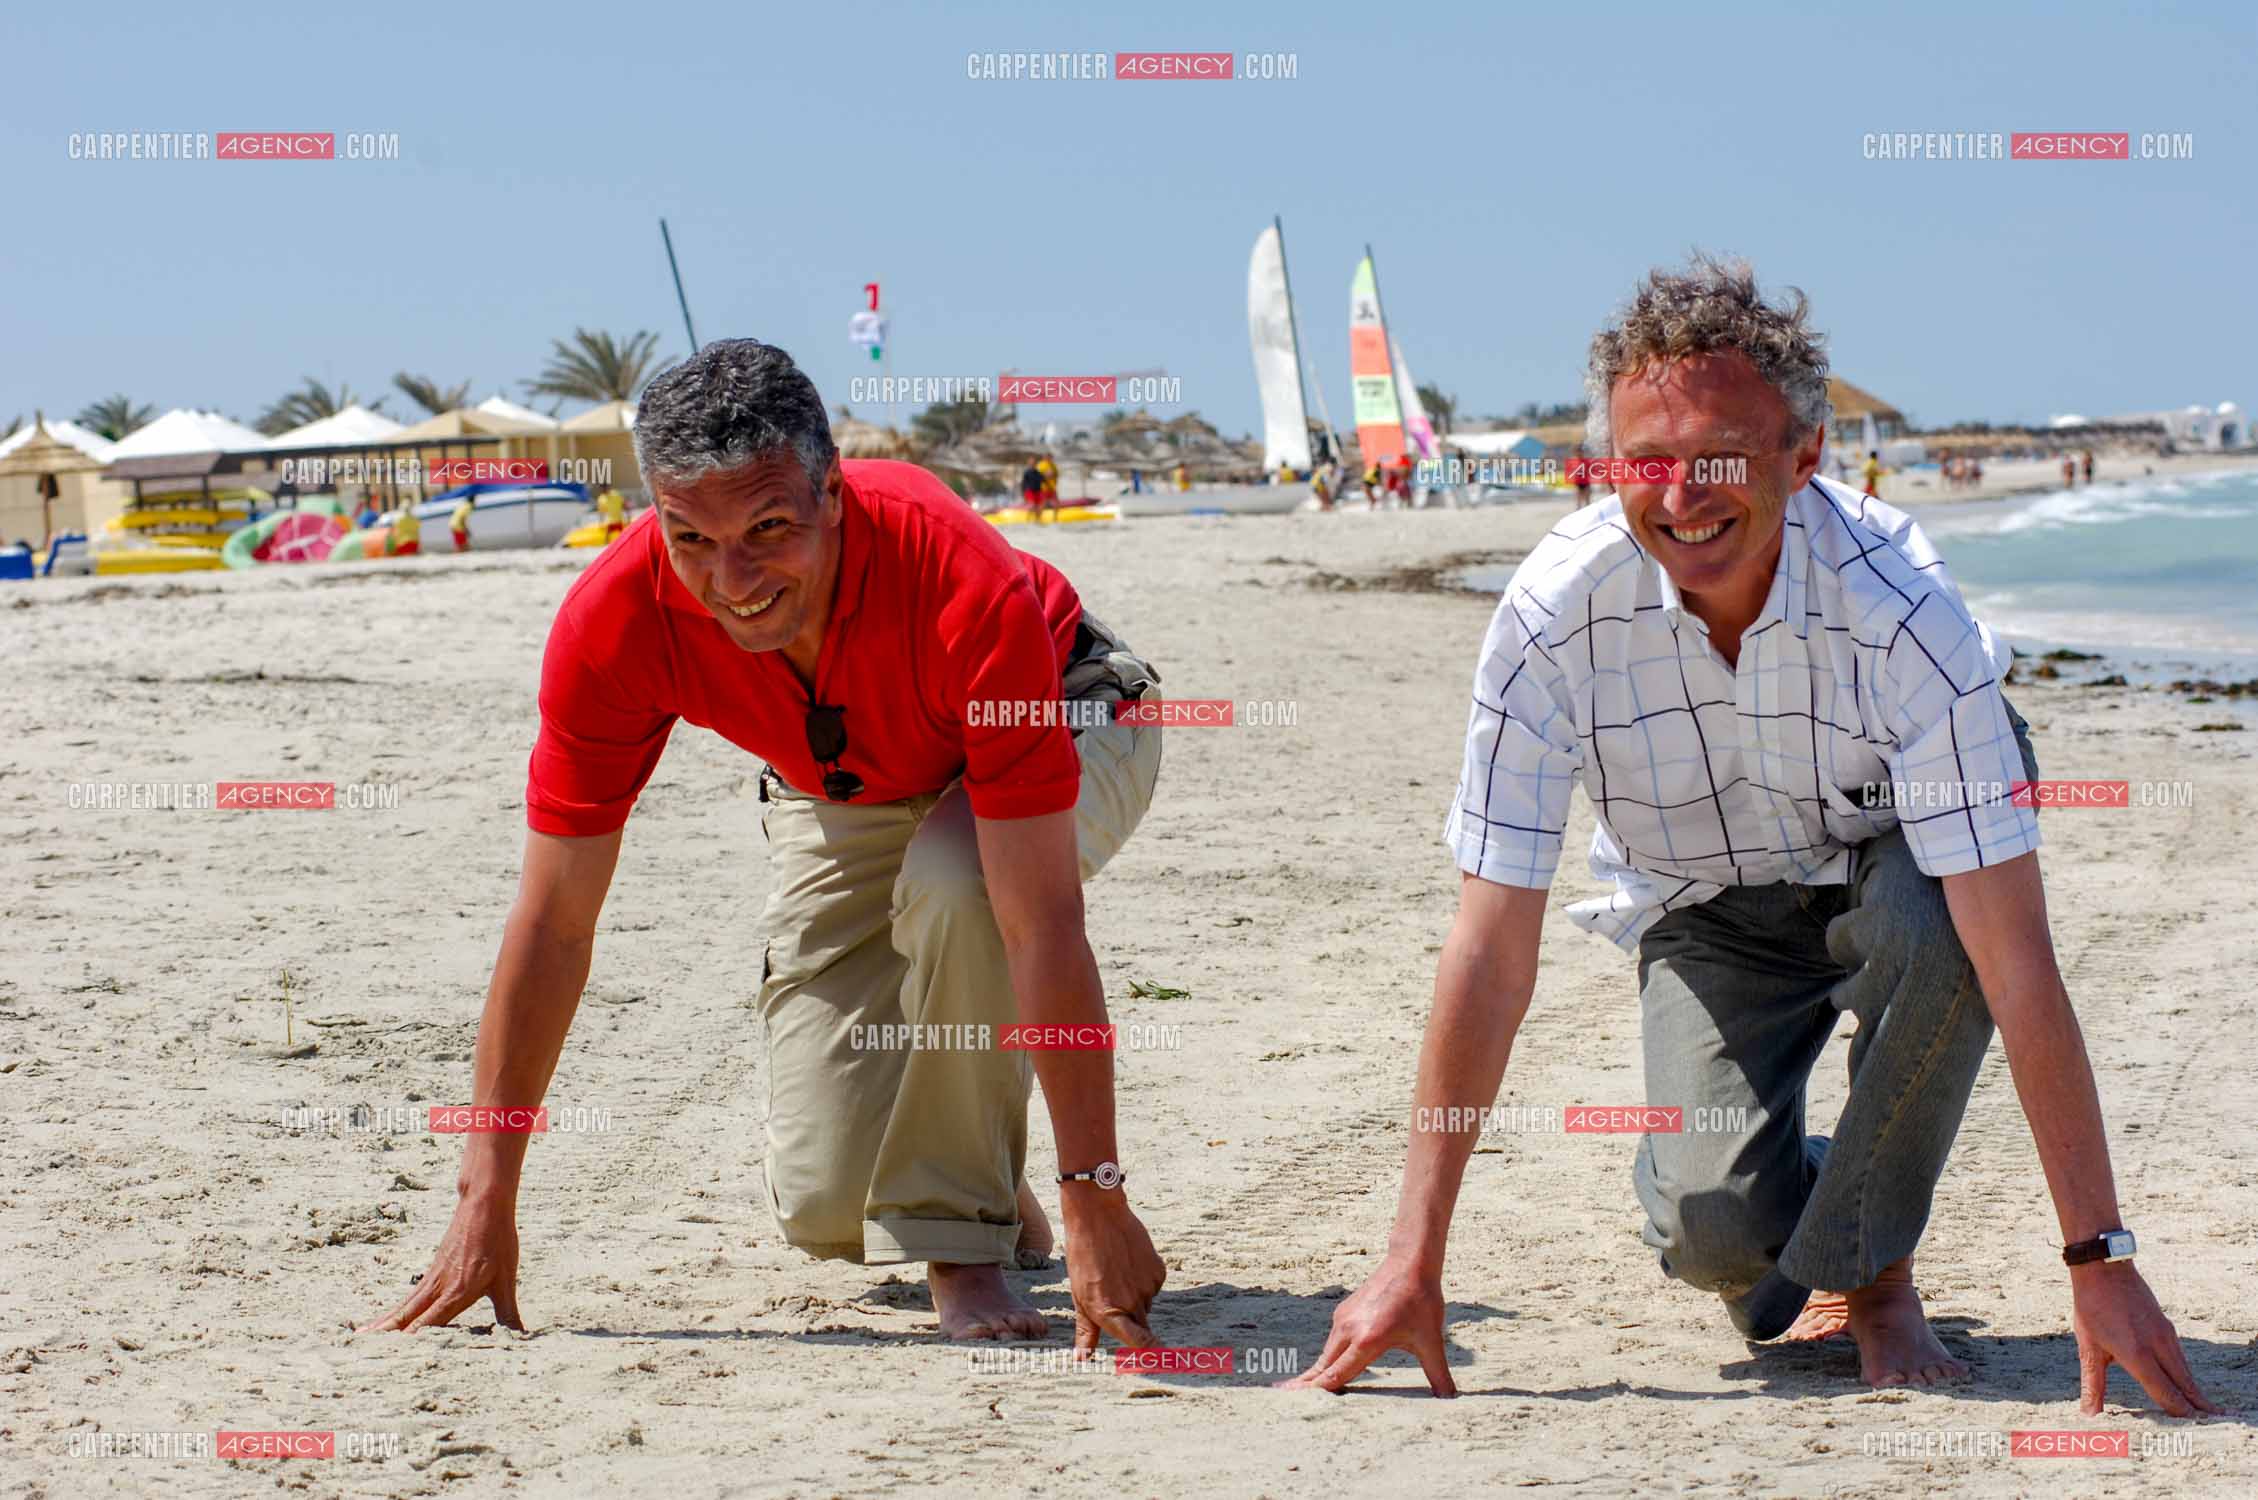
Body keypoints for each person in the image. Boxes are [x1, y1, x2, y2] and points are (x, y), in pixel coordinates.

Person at [1291, 256, 2217, 1417]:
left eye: (1722, 456)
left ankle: (1876, 1279)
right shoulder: (1552, 615)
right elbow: (1487, 950)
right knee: (1719, 1243)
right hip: (1707, 902)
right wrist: (1410, 1259)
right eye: (1646, 460)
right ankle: (1815, 1207)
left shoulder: (1901, 615)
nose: (1681, 495)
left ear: (1803, 455)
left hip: (1895, 857)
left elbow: (2012, 960)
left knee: (1937, 933)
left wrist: (2099, 1260)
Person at [366, 339, 1169, 1351]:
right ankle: (979, 1183)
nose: (732, 579)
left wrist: (1097, 1194)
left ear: (831, 494)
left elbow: (1037, 921)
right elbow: (555, 921)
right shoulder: (611, 621)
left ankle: (960, 1246)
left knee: (958, 881)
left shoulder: (957, 573)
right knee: (830, 1206)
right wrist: (484, 1199)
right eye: (691, 539)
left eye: (768, 528)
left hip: (1066, 710)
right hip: (848, 780)